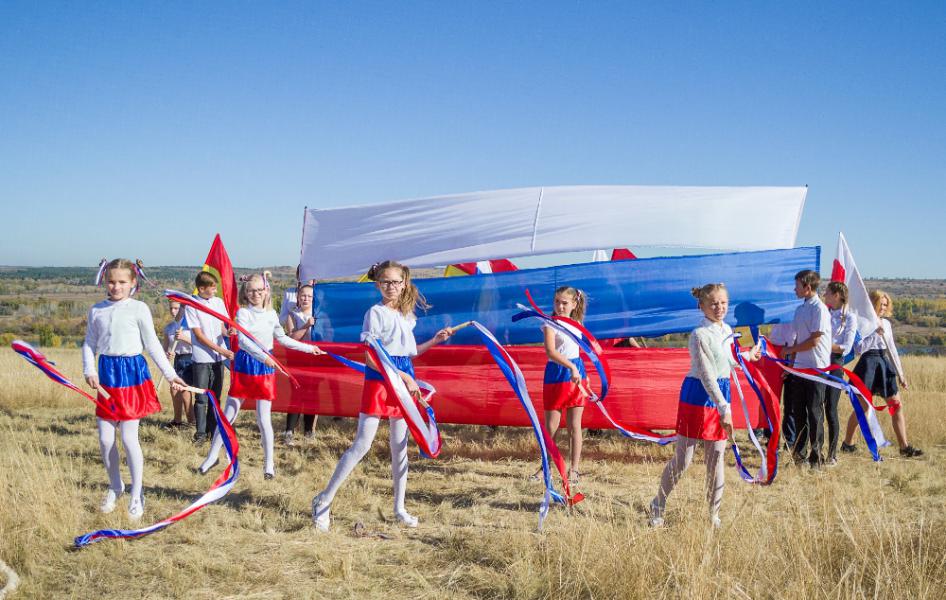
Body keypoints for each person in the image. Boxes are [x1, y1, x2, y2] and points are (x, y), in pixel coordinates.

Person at [311, 260, 453, 532]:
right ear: (378, 284)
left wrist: (435, 340)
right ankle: (323, 500)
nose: (391, 287)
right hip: (381, 381)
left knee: (400, 447)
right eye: (386, 282)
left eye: (396, 282)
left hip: (403, 379)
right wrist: (403, 378)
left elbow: (409, 353)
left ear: (404, 283)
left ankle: (399, 508)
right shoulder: (374, 313)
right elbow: (371, 358)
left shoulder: (406, 315)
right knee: (362, 444)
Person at [649, 283, 760, 528]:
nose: (719, 307)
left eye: (723, 302)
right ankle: (658, 504)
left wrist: (748, 356)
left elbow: (728, 360)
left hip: (721, 396)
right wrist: (724, 407)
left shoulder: (727, 329)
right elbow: (708, 375)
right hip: (698, 397)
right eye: (713, 303)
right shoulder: (699, 335)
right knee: (683, 460)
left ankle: (713, 515)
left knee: (716, 458)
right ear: (702, 306)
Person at [82, 258, 185, 519]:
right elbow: (89, 343)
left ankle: (137, 493)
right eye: (111, 281)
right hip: (107, 376)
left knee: (129, 439)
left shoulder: (139, 308)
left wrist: (171, 375)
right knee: (105, 440)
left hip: (131, 376)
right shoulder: (97, 310)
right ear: (105, 281)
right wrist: (89, 370)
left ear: (132, 283)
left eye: (121, 282)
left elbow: (152, 345)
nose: (116, 287)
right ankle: (116, 487)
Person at [198, 274, 325, 479]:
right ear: (245, 293)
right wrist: (264, 357)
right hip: (246, 365)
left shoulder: (271, 314)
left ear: (266, 291)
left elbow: (283, 339)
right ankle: (212, 456)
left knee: (263, 418)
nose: (255, 294)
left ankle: (269, 465)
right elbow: (244, 341)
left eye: (259, 290)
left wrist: (310, 349)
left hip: (264, 370)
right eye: (251, 290)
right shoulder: (243, 313)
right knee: (229, 414)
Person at [841, 290, 923, 458]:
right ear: (872, 304)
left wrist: (901, 374)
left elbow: (892, 349)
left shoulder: (886, 324)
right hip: (867, 365)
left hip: (884, 364)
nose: (884, 307)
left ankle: (904, 447)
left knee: (896, 405)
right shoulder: (862, 322)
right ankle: (847, 444)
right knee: (863, 408)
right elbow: (858, 349)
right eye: (881, 304)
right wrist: (873, 334)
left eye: (886, 304)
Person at [779, 270, 832, 468]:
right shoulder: (800, 309)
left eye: (797, 286)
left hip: (816, 368)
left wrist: (790, 350)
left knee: (814, 413)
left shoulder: (820, 309)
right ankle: (799, 457)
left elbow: (814, 340)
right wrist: (791, 364)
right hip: (800, 368)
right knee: (799, 412)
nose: (795, 289)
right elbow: (798, 338)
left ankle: (816, 458)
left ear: (807, 287)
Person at [540, 286, 590, 485]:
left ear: (574, 304)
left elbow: (577, 351)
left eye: (564, 303)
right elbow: (550, 352)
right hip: (556, 374)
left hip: (576, 374)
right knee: (551, 426)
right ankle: (545, 468)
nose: (560, 306)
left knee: (574, 426)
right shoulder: (549, 323)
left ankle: (574, 470)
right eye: (557, 302)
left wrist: (583, 374)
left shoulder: (577, 324)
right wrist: (571, 367)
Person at [184, 271, 234, 444]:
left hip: (218, 359)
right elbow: (199, 336)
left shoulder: (218, 302)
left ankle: (213, 430)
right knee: (201, 397)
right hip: (202, 358)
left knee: (215, 397)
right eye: (212, 288)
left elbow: (221, 326)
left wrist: (227, 332)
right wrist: (222, 350)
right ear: (201, 288)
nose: (215, 291)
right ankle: (200, 434)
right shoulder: (192, 306)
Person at [822, 281, 857, 465]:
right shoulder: (824, 313)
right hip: (819, 361)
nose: (824, 295)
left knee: (831, 408)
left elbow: (846, 347)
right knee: (816, 407)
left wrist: (825, 345)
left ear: (836, 295)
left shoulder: (850, 317)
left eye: (827, 292)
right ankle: (816, 450)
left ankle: (832, 453)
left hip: (835, 363)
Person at [283, 283, 317, 445]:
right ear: (298, 297)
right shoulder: (292, 315)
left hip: (314, 360)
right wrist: (306, 325)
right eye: (303, 295)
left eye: (310, 296)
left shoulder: (318, 315)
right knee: (296, 393)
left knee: (312, 395)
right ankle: (289, 430)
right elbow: (291, 338)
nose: (306, 299)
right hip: (297, 360)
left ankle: (308, 431)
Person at [162, 299, 194, 428]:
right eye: (171, 308)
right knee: (175, 389)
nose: (173, 311)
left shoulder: (190, 325)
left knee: (183, 389)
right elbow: (165, 349)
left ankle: (191, 421)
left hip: (191, 359)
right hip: (177, 360)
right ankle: (178, 421)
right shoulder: (169, 327)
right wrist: (167, 354)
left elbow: (200, 344)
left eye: (176, 308)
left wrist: (184, 338)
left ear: (183, 309)